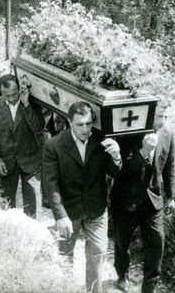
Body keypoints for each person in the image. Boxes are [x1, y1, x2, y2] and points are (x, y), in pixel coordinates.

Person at [42, 102, 122, 293]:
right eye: (80, 125)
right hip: (68, 210)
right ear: (70, 122)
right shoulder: (54, 145)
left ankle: (94, 290)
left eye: (88, 124)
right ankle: (65, 289)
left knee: (98, 253)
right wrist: (60, 216)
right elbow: (50, 183)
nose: (85, 129)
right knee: (64, 256)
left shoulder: (102, 141)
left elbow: (114, 172)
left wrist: (117, 156)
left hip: (96, 209)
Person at [110, 96, 175, 293]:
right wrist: (144, 151)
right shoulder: (129, 132)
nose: (162, 120)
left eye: (166, 116)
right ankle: (122, 274)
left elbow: (169, 165)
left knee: (157, 243)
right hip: (125, 199)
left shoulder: (168, 133)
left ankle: (150, 286)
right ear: (148, 114)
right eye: (158, 116)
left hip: (152, 200)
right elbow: (122, 170)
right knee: (122, 242)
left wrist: (170, 196)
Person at [0, 75, 45, 218]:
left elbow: (38, 128)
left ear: (20, 89)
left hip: (30, 161)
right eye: (7, 95)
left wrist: (27, 105)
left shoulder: (31, 104)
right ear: (0, 91)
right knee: (5, 204)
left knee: (32, 205)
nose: (11, 99)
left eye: (14, 94)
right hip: (5, 162)